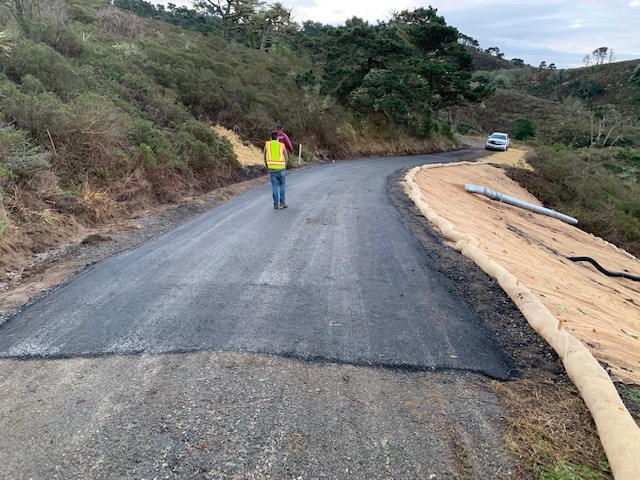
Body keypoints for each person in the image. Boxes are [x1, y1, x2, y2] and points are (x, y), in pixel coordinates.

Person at [263, 131, 289, 209]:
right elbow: (286, 157)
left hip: (272, 169)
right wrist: (285, 166)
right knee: (282, 185)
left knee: (274, 186)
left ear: (270, 138)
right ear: (278, 138)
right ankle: (283, 202)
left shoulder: (267, 145)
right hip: (281, 169)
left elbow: (264, 156)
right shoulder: (281, 145)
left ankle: (275, 204)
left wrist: (267, 165)